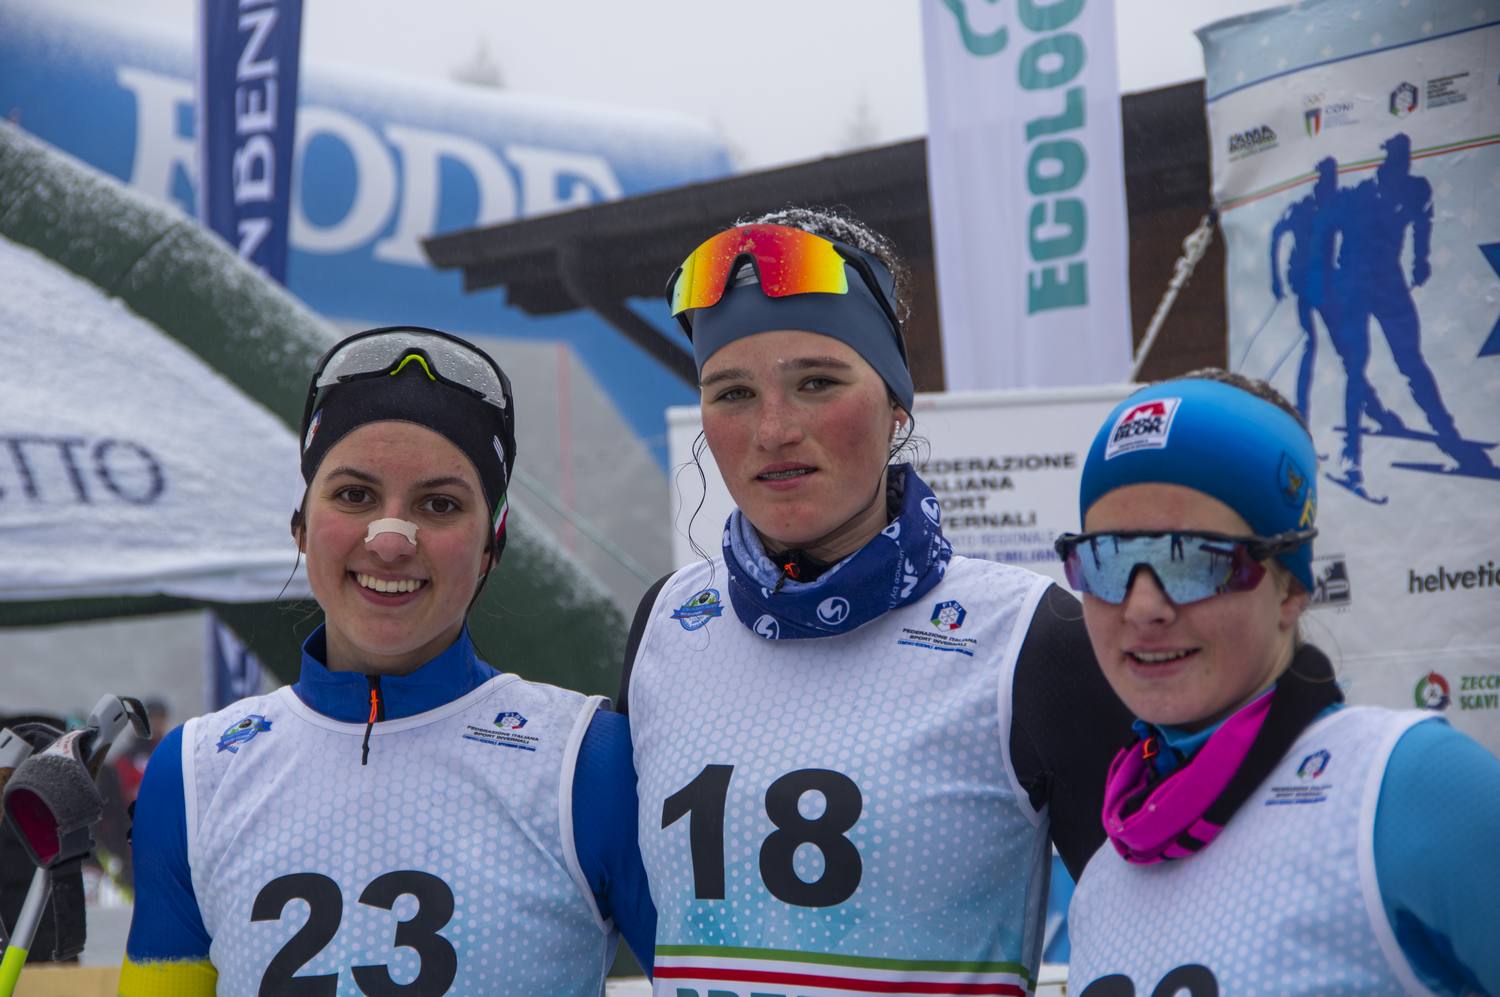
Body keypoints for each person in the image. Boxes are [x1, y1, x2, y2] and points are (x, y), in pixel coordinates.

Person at [619, 209, 1132, 993]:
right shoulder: (667, 622)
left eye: (817, 382)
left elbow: (1146, 935)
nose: (773, 429)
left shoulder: (1032, 637)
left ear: (896, 404)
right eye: (733, 392)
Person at [121, 327, 654, 995]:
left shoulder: (590, 762)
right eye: (354, 495)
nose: (390, 539)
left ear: (491, 548)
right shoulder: (194, 771)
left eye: (439, 504)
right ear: (301, 525)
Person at [1060, 371, 1500, 995]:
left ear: (1289, 586)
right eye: (1106, 560)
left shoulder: (1407, 785)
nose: (1143, 608)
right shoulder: (1106, 877)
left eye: (1193, 560)